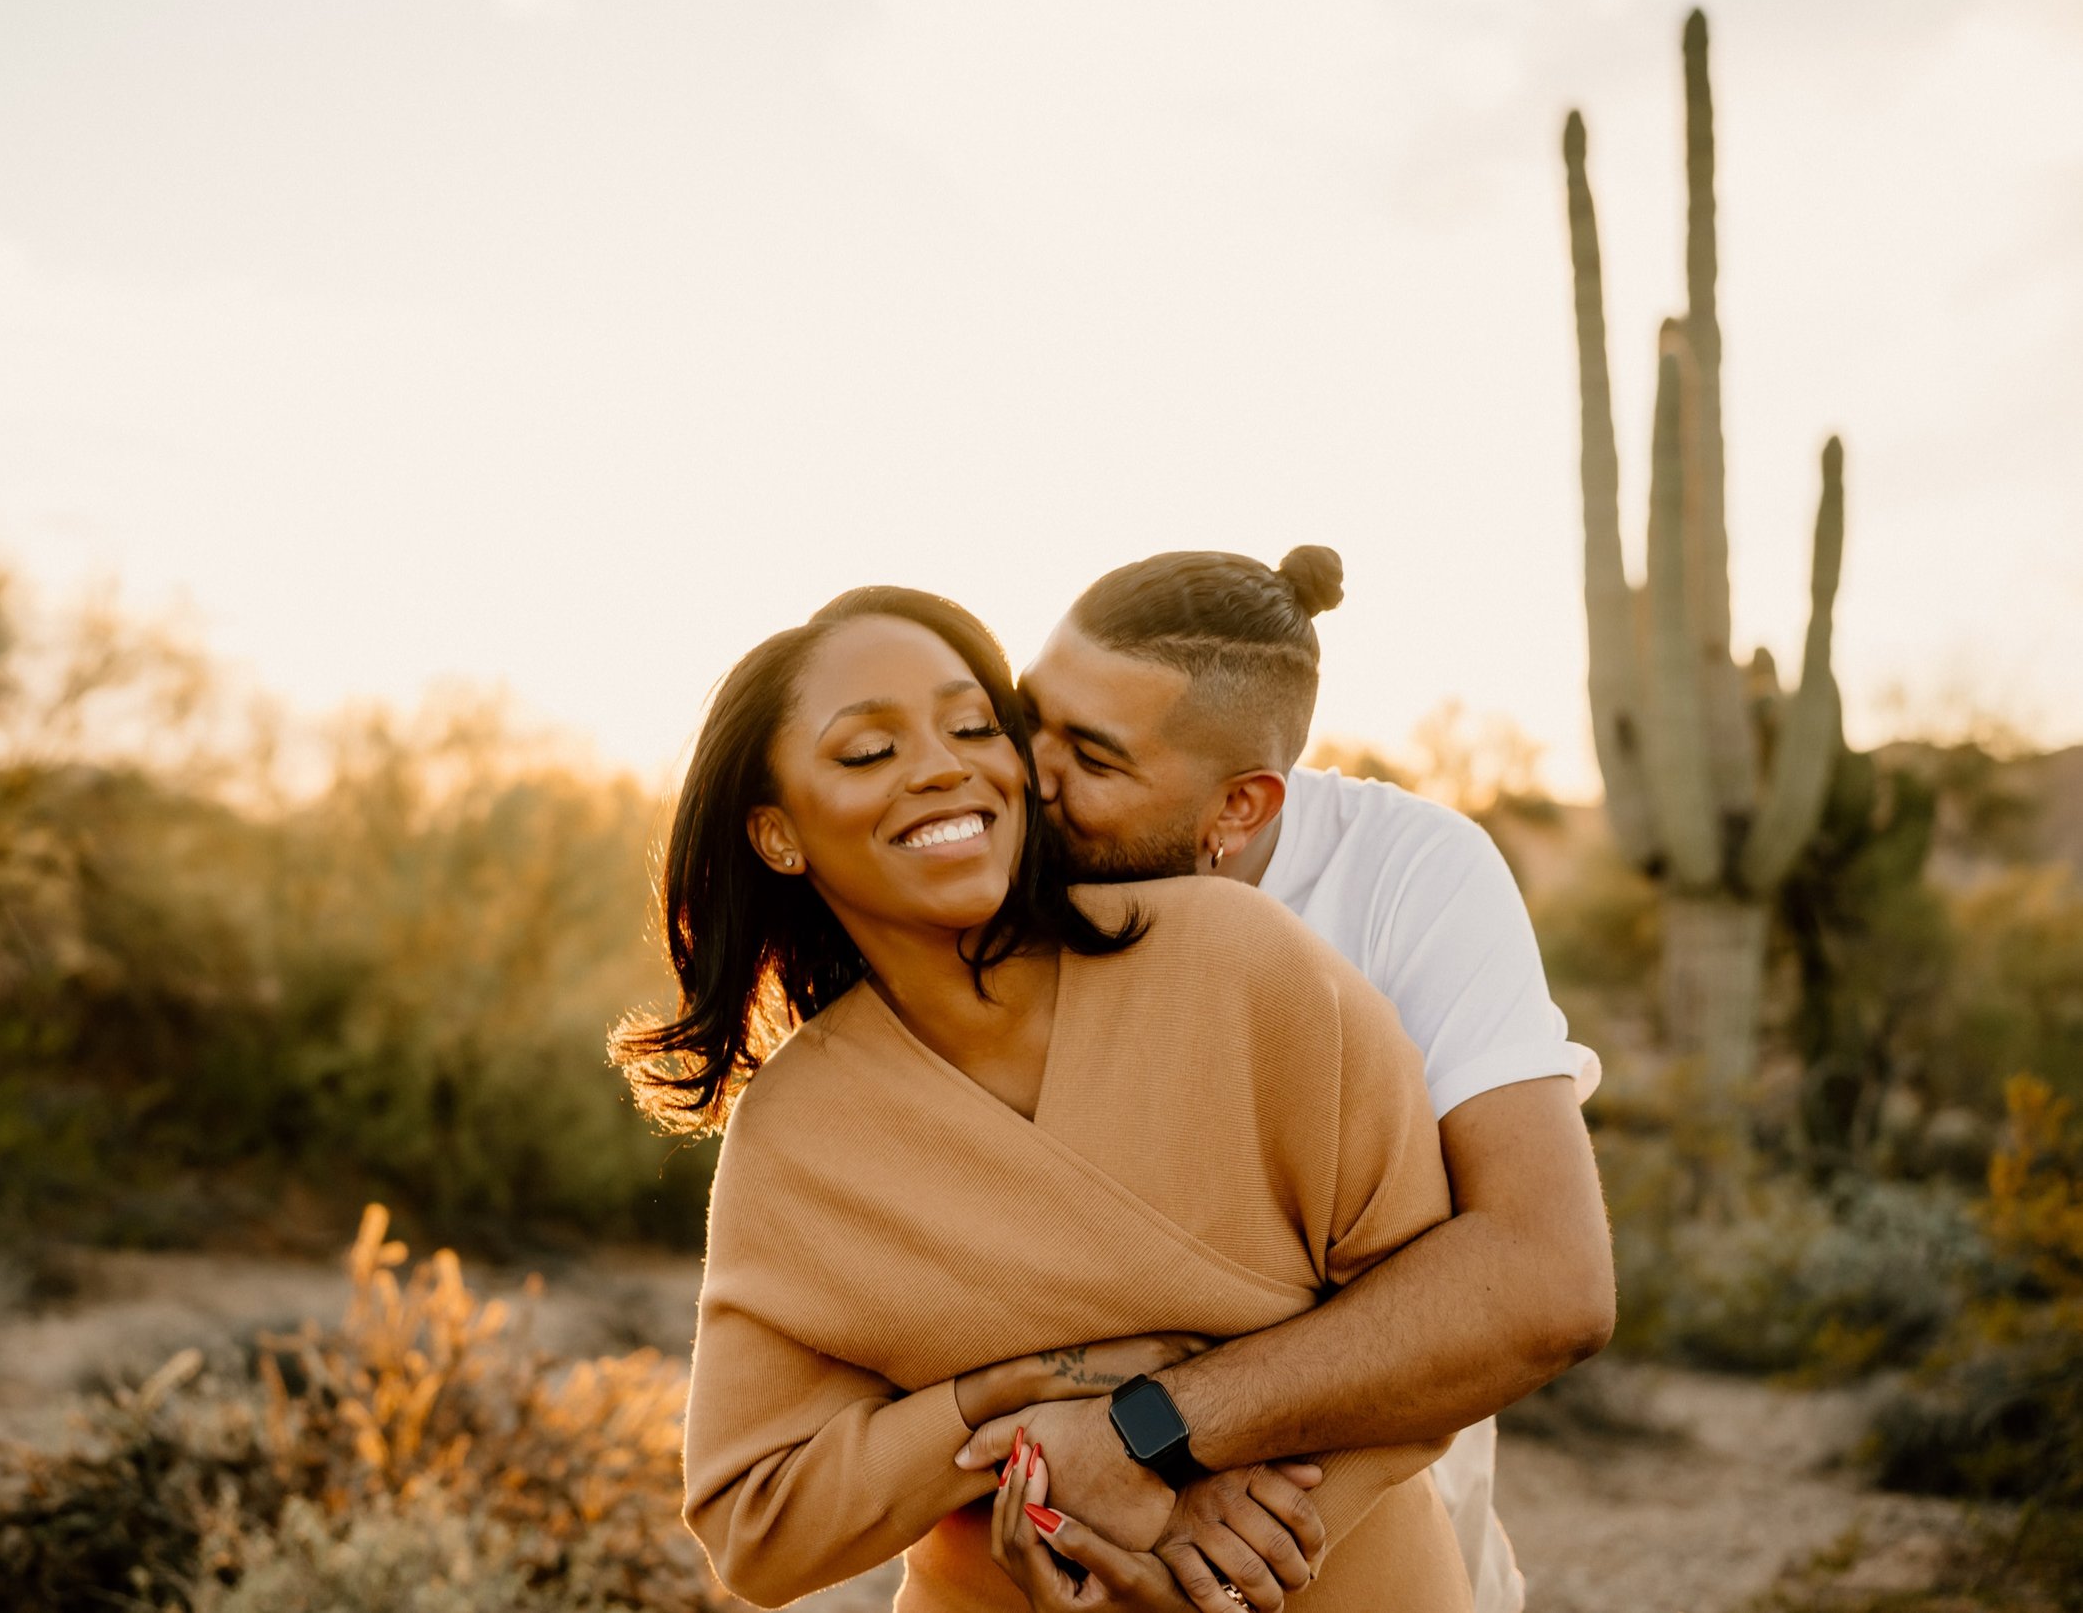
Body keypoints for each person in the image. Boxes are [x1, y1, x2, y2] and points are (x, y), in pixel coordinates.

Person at [614, 585, 1477, 1613]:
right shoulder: (797, 1129)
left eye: (975, 725)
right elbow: (757, 1525)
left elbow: (1443, 1322)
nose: (941, 764)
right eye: (865, 752)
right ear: (778, 834)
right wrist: (1007, 1406)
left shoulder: (1237, 962)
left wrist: (1204, 1544)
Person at [958, 546, 1616, 1613]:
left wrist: (1158, 1435)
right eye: (1031, 717)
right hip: (1041, 1544)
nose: (1032, 773)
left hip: (1365, 1536)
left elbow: (1547, 1281)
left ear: (1240, 806)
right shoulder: (997, 872)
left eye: (1093, 753)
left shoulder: (1413, 875)